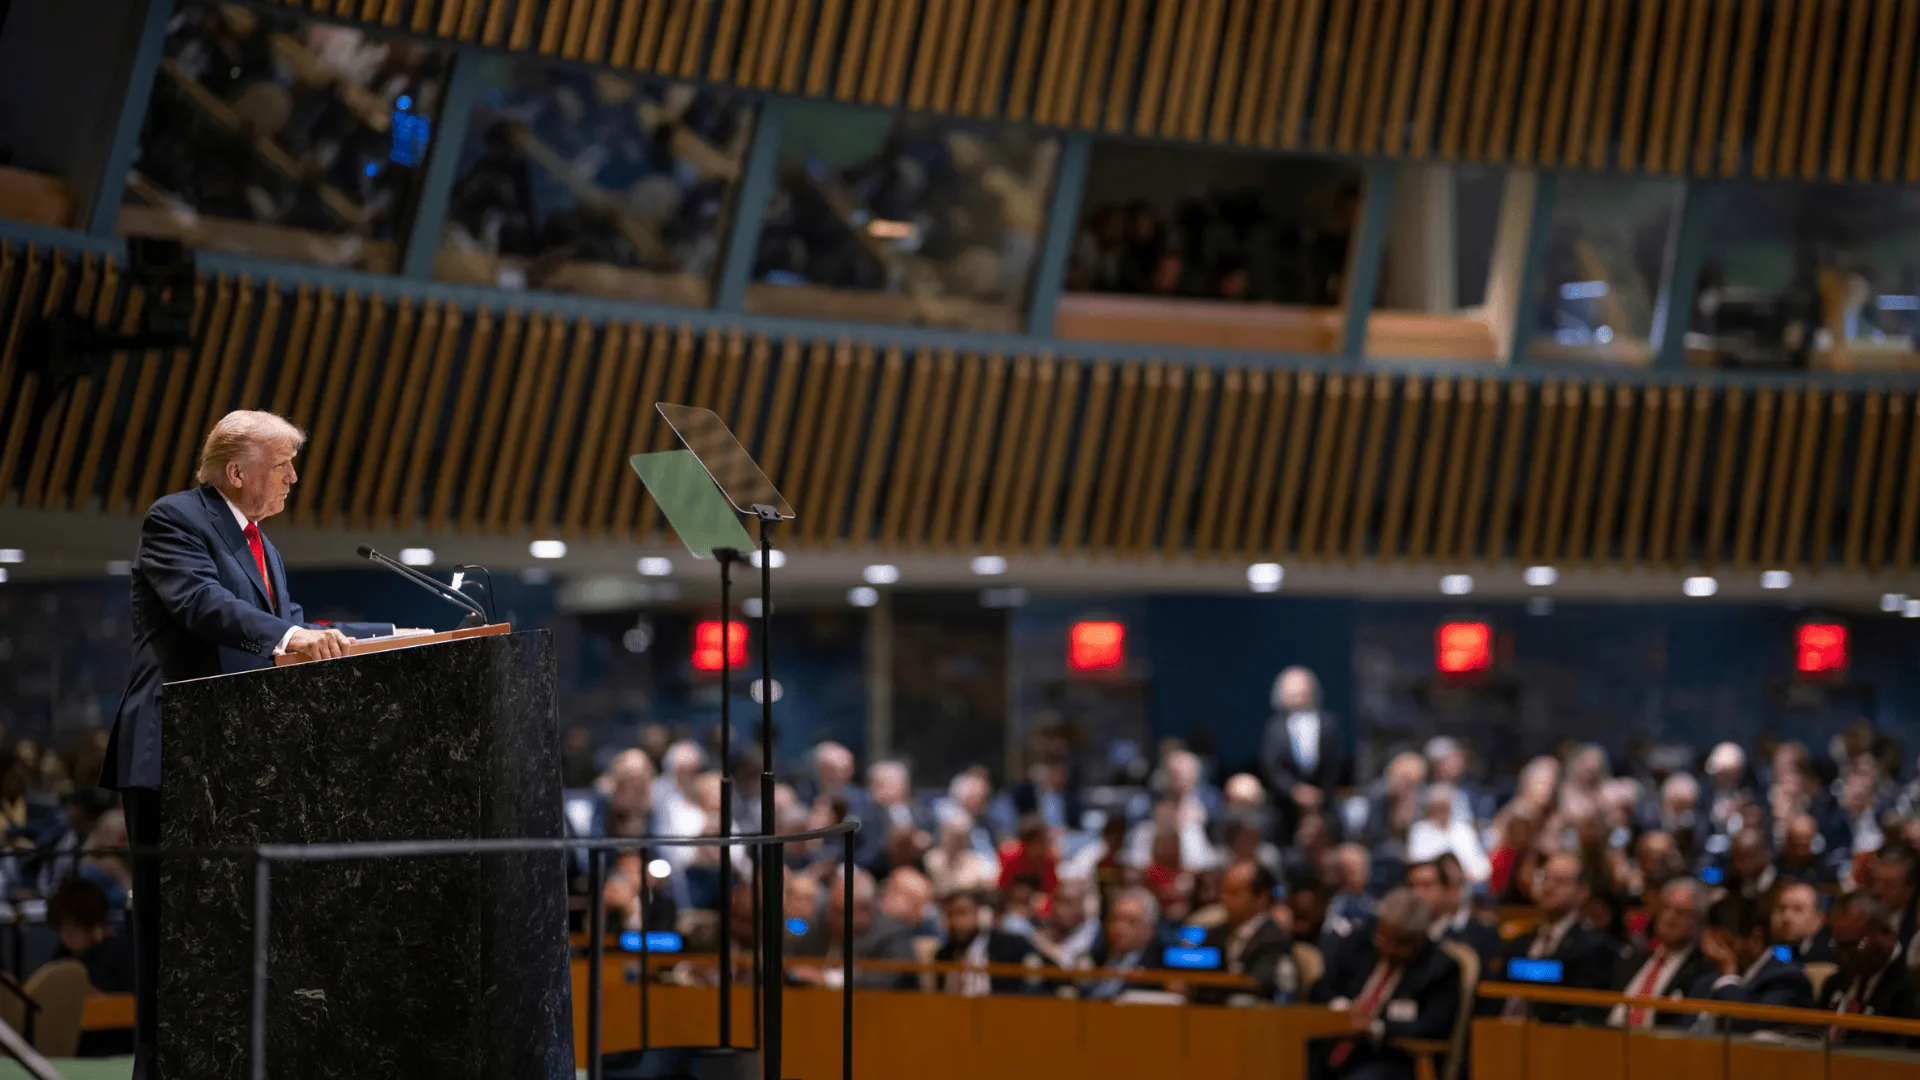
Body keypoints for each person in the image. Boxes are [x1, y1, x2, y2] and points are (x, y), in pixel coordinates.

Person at [103, 410, 401, 1080]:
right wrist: (292, 638)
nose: (295, 477)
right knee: (171, 932)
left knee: (229, 937)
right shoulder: (174, 519)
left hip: (236, 760)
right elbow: (204, 606)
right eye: (284, 463)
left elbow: (285, 625)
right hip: (174, 752)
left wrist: (384, 634)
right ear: (238, 472)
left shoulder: (261, 543)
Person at [1313, 889, 1463, 1080]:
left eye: (1400, 943)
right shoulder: (1359, 944)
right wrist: (1342, 1008)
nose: (1389, 949)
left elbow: (1432, 1027)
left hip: (1390, 1057)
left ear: (1420, 939)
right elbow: (1321, 988)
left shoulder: (1440, 968)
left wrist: (1376, 1027)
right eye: (1383, 939)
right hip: (1333, 1043)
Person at [1493, 854, 1619, 1024]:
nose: (1549, 887)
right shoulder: (1518, 943)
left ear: (1582, 891)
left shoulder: (1594, 947)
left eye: (1560, 881)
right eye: (1544, 878)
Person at [1693, 894, 1815, 1031]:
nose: (1714, 953)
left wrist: (1728, 975)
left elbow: (1750, 1029)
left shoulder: (1788, 980)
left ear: (1756, 939)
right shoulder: (1707, 982)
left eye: (1725, 944)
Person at [1608, 878, 1717, 1030]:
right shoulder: (1632, 959)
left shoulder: (1701, 973)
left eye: (1681, 913)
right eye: (1665, 908)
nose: (1669, 918)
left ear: (1698, 921)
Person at [1818, 894, 1919, 1047]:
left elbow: (1898, 1052)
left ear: (1886, 934)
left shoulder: (1911, 988)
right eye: (1838, 945)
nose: (1843, 957)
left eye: (1853, 946)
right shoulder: (1835, 983)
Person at [1261, 667, 1347, 840]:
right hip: (1285, 806)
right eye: (1291, 690)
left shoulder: (1329, 724)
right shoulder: (1274, 728)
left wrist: (1319, 794)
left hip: (1324, 801)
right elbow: (1271, 766)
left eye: (1301, 688)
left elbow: (1335, 763)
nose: (1297, 694)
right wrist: (1294, 791)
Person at [1193, 861, 1293, 1005]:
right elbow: (1195, 969)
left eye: (1234, 893)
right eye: (1223, 892)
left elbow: (1259, 984)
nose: (1224, 899)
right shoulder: (1215, 934)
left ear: (1261, 898)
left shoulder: (1274, 939)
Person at [933, 890, 1039, 996]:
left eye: (962, 912)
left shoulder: (1010, 945)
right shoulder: (943, 954)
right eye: (950, 914)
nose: (956, 921)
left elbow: (1037, 969)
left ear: (981, 914)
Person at [48, 877, 134, 994]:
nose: (68, 935)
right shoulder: (62, 955)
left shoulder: (117, 952)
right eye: (63, 927)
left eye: (75, 928)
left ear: (93, 926)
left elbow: (131, 998)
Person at [1406, 857, 1499, 965]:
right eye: (1412, 886)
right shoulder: (1403, 934)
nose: (1418, 893)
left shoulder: (1481, 933)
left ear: (1446, 889)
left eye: (1427, 885)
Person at [1083, 887, 1165, 999]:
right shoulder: (1096, 957)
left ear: (1149, 928)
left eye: (1131, 921)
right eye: (1114, 919)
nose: (1119, 928)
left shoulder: (1158, 970)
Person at [1405, 784, 1490, 883]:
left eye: (1445, 807)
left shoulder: (1464, 830)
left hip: (1464, 884)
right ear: (1429, 809)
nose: (1441, 812)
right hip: (1433, 885)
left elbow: (1482, 865)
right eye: (1437, 807)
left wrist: (1470, 873)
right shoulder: (1420, 831)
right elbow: (1417, 863)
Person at [1773, 882, 1835, 963]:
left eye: (1798, 909)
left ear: (1819, 916)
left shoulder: (1828, 954)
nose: (1786, 917)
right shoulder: (1774, 949)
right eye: (1782, 908)